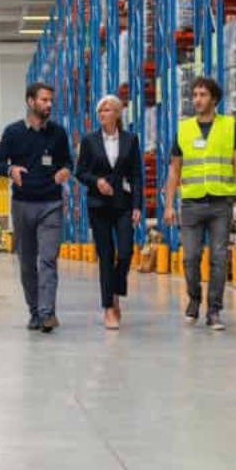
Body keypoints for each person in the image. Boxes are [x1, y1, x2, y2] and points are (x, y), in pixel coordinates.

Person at [163, 77, 236, 331]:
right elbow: (174, 170)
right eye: (195, 95)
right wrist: (169, 205)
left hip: (220, 203)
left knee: (219, 258)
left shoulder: (229, 126)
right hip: (191, 204)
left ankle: (214, 311)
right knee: (190, 257)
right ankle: (194, 299)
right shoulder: (184, 129)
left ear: (214, 99)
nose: (197, 99)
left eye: (202, 94)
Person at [0, 82, 73, 333]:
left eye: (50, 100)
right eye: (44, 100)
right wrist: (10, 170)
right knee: (27, 263)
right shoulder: (13, 132)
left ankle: (47, 313)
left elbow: (68, 162)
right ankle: (35, 312)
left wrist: (65, 171)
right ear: (30, 101)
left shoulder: (58, 133)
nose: (49, 104)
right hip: (22, 205)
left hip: (51, 204)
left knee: (47, 259)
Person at [75, 95, 142, 330]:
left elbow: (136, 175)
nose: (102, 114)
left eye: (107, 110)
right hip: (99, 205)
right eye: (100, 111)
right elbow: (80, 172)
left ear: (117, 113)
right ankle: (109, 308)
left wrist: (137, 206)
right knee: (105, 255)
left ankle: (115, 291)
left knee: (125, 252)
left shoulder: (130, 139)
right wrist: (97, 182)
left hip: (123, 204)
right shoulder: (89, 141)